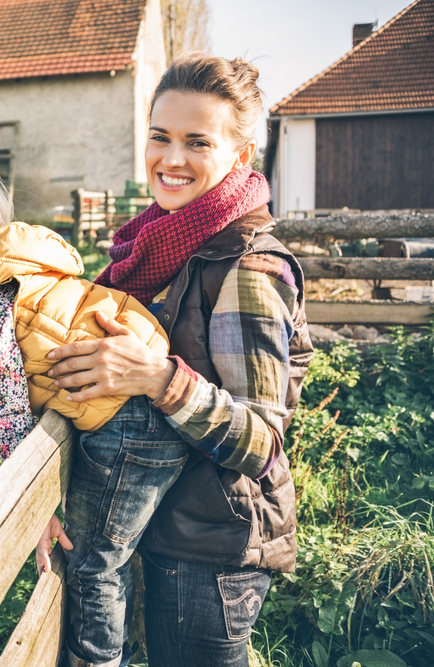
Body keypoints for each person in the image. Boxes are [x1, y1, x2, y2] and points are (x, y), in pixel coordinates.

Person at [46, 52, 315, 667]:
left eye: (198, 142)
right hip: (164, 521)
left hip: (212, 547)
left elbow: (262, 442)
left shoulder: (247, 269)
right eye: (160, 137)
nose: (171, 159)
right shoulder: (160, 246)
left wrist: (155, 376)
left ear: (240, 156)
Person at [0, 168, 189, 666]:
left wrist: (32, 503)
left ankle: (100, 660)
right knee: (109, 554)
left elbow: (7, 409)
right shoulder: (25, 275)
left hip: (130, 428)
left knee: (93, 564)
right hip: (144, 418)